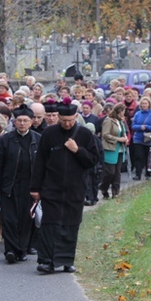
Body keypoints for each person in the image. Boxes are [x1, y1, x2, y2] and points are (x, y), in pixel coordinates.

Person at [30, 99, 100, 274]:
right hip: (51, 187)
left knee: (70, 224)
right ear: (58, 118)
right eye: (63, 120)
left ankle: (67, 260)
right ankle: (47, 261)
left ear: (76, 117)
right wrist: (35, 188)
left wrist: (77, 150)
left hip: (75, 188)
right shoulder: (49, 133)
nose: (67, 124)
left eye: (70, 120)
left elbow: (93, 161)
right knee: (49, 224)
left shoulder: (84, 134)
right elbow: (39, 162)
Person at [0, 104, 41, 264]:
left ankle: (22, 249)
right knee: (10, 219)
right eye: (19, 120)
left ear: (31, 121)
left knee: (26, 219)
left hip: (30, 187)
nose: (22, 123)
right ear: (14, 121)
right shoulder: (6, 139)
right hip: (10, 185)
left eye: (25, 120)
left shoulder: (37, 140)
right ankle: (10, 250)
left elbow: (42, 165)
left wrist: (39, 187)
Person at [101, 103, 128, 199]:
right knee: (110, 172)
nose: (124, 113)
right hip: (110, 148)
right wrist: (118, 139)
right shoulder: (108, 120)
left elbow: (123, 133)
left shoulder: (121, 121)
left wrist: (125, 138)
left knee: (117, 172)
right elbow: (105, 134)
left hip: (120, 149)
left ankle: (115, 192)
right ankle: (103, 188)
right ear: (119, 111)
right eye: (123, 111)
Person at [130, 97, 151, 180]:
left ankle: (148, 174)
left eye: (145, 103)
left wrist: (147, 127)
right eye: (142, 103)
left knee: (148, 156)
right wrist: (141, 127)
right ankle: (138, 174)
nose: (144, 105)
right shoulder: (137, 114)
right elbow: (133, 126)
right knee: (139, 156)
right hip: (138, 138)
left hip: (148, 138)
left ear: (149, 104)